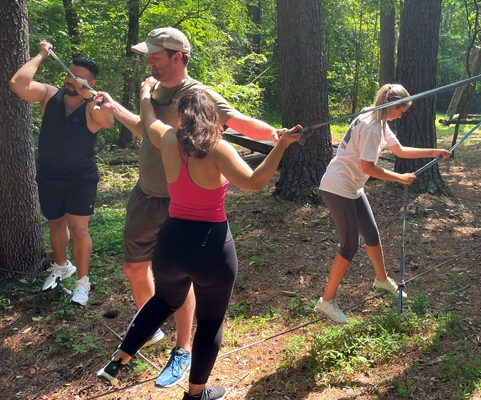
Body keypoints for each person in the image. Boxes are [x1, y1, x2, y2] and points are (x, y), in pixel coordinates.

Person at [95, 26, 289, 388]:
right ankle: (196, 393)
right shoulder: (216, 149)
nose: (149, 61)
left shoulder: (179, 122)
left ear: (177, 57)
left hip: (173, 226)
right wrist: (283, 147)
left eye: (155, 55)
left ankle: (133, 357)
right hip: (201, 235)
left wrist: (271, 134)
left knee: (166, 298)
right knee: (209, 318)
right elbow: (255, 181)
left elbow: (159, 124)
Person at [314, 84, 452, 324]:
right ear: (392, 106)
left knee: (372, 235)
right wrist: (401, 178)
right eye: (402, 110)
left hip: (352, 186)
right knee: (349, 246)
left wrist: (434, 151)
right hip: (338, 187)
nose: (402, 114)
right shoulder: (371, 127)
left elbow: (399, 151)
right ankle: (326, 301)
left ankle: (381, 280)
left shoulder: (376, 117)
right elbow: (368, 168)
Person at [9, 40, 114, 305]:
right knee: (55, 223)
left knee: (79, 230)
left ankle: (83, 282)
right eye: (69, 73)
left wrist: (89, 95)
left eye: (78, 78)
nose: (70, 80)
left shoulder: (94, 105)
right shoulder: (48, 94)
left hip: (81, 177)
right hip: (49, 175)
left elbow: (107, 122)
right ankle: (62, 266)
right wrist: (41, 55)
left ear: (89, 83)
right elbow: (17, 84)